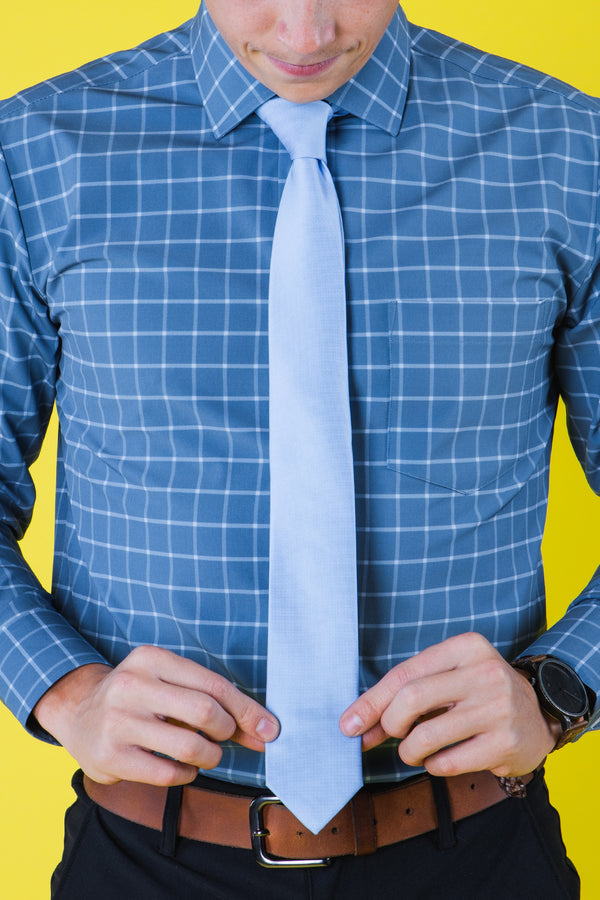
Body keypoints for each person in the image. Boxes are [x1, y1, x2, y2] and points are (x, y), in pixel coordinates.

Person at [0, 1, 599, 897]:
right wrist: (60, 688)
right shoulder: (35, 150)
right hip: (141, 859)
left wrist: (563, 686)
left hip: (479, 850)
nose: (305, 35)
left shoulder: (567, 148)